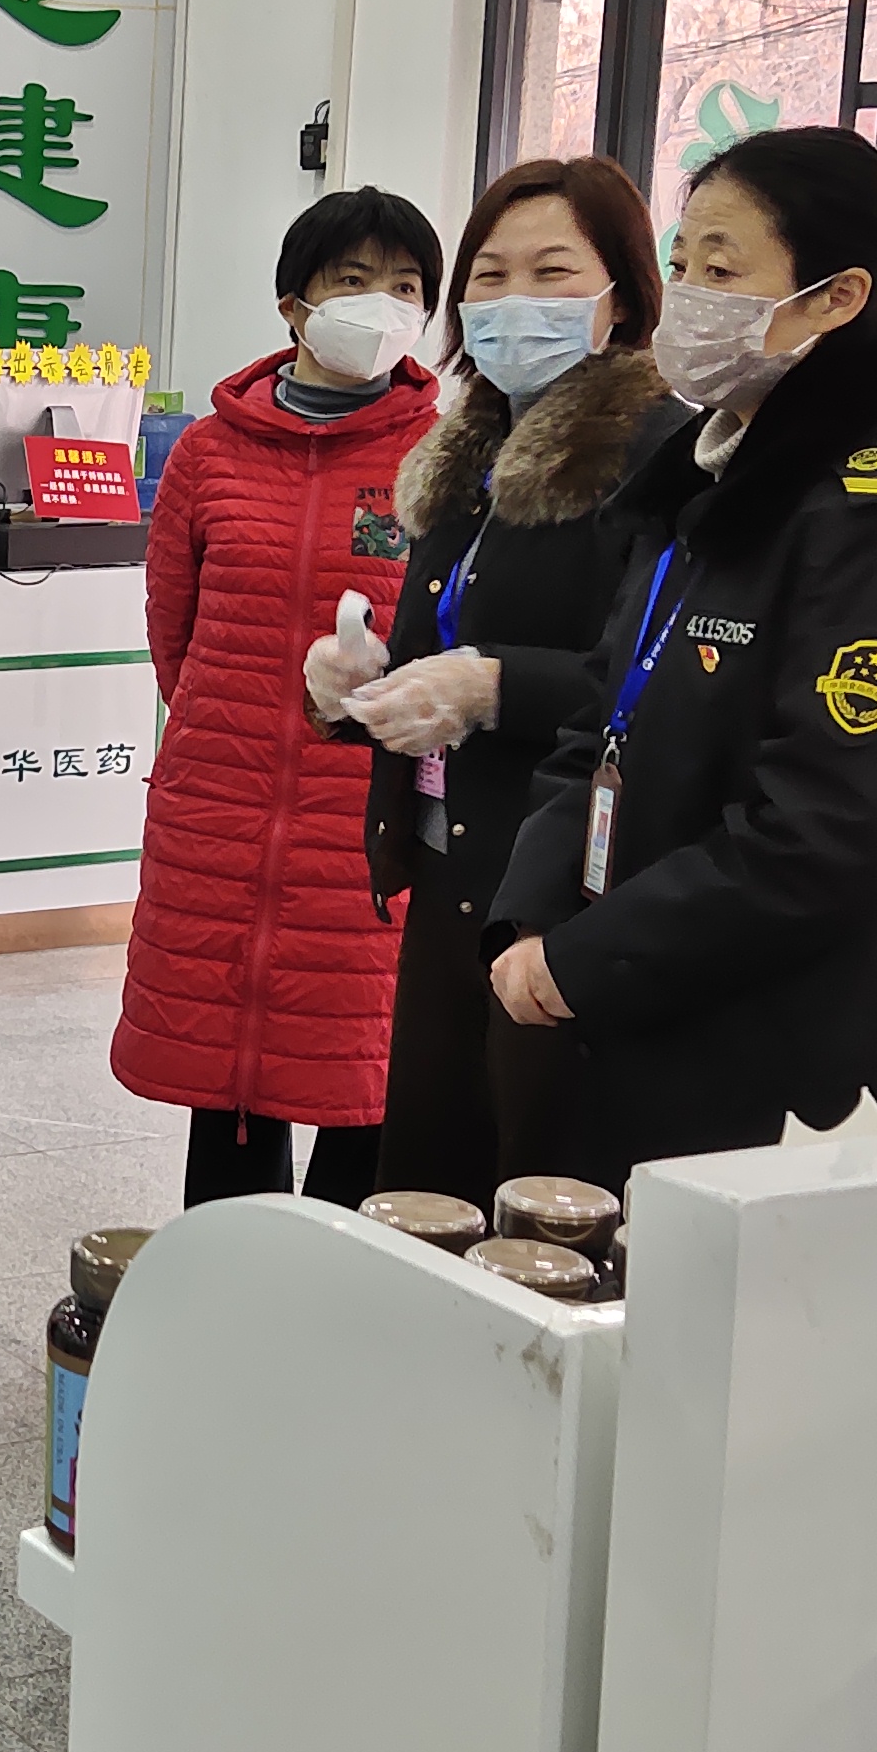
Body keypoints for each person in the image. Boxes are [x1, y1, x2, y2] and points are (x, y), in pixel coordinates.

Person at [490, 125, 877, 1181]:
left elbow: (828, 833)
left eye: (723, 271)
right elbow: (602, 719)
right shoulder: (710, 483)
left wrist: (591, 956)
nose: (687, 297)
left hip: (786, 1069)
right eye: (682, 264)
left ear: (835, 299)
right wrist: (532, 918)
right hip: (641, 1015)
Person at [315, 156, 687, 1201]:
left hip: (557, 882)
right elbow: (438, 649)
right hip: (445, 863)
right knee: (429, 1173)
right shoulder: (468, 453)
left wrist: (492, 687)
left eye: (552, 272)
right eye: (489, 276)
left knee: (534, 1184)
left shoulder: (657, 456)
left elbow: (651, 688)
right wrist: (360, 686)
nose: (515, 300)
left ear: (621, 299)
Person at [112, 189, 446, 1209]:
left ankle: (342, 1288)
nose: (382, 304)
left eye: (406, 287)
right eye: (354, 280)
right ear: (294, 304)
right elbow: (175, 633)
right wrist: (234, 731)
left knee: (361, 1078)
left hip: (370, 824)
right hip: (218, 805)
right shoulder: (208, 453)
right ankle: (229, 1277)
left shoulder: (444, 456)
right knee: (227, 1089)